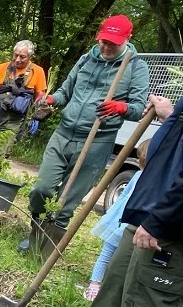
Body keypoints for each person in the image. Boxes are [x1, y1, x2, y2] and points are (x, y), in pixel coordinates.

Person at [47, 95, 183, 307]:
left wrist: (164, 218)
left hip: (172, 219)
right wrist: (174, 111)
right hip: (150, 204)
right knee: (117, 282)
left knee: (149, 304)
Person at [18, 15, 149, 253]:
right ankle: (35, 231)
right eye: (104, 41)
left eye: (113, 43)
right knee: (42, 189)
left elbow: (138, 109)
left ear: (127, 39)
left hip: (97, 141)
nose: (107, 47)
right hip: (64, 133)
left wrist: (121, 108)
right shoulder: (86, 59)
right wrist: (50, 100)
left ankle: (45, 247)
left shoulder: (135, 67)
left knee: (66, 203)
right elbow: (65, 92)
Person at [82, 140, 149, 301]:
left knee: (124, 260)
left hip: (136, 226)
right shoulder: (138, 175)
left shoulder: (157, 181)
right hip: (120, 223)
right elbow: (124, 196)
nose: (141, 162)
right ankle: (94, 284)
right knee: (106, 254)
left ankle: (115, 288)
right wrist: (113, 216)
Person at [0, 40, 47, 155]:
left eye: (22, 57)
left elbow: (40, 94)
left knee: (0, 153)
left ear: (30, 56)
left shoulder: (37, 71)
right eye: (15, 55)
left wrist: (39, 110)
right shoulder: (1, 68)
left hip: (14, 120)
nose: (17, 59)